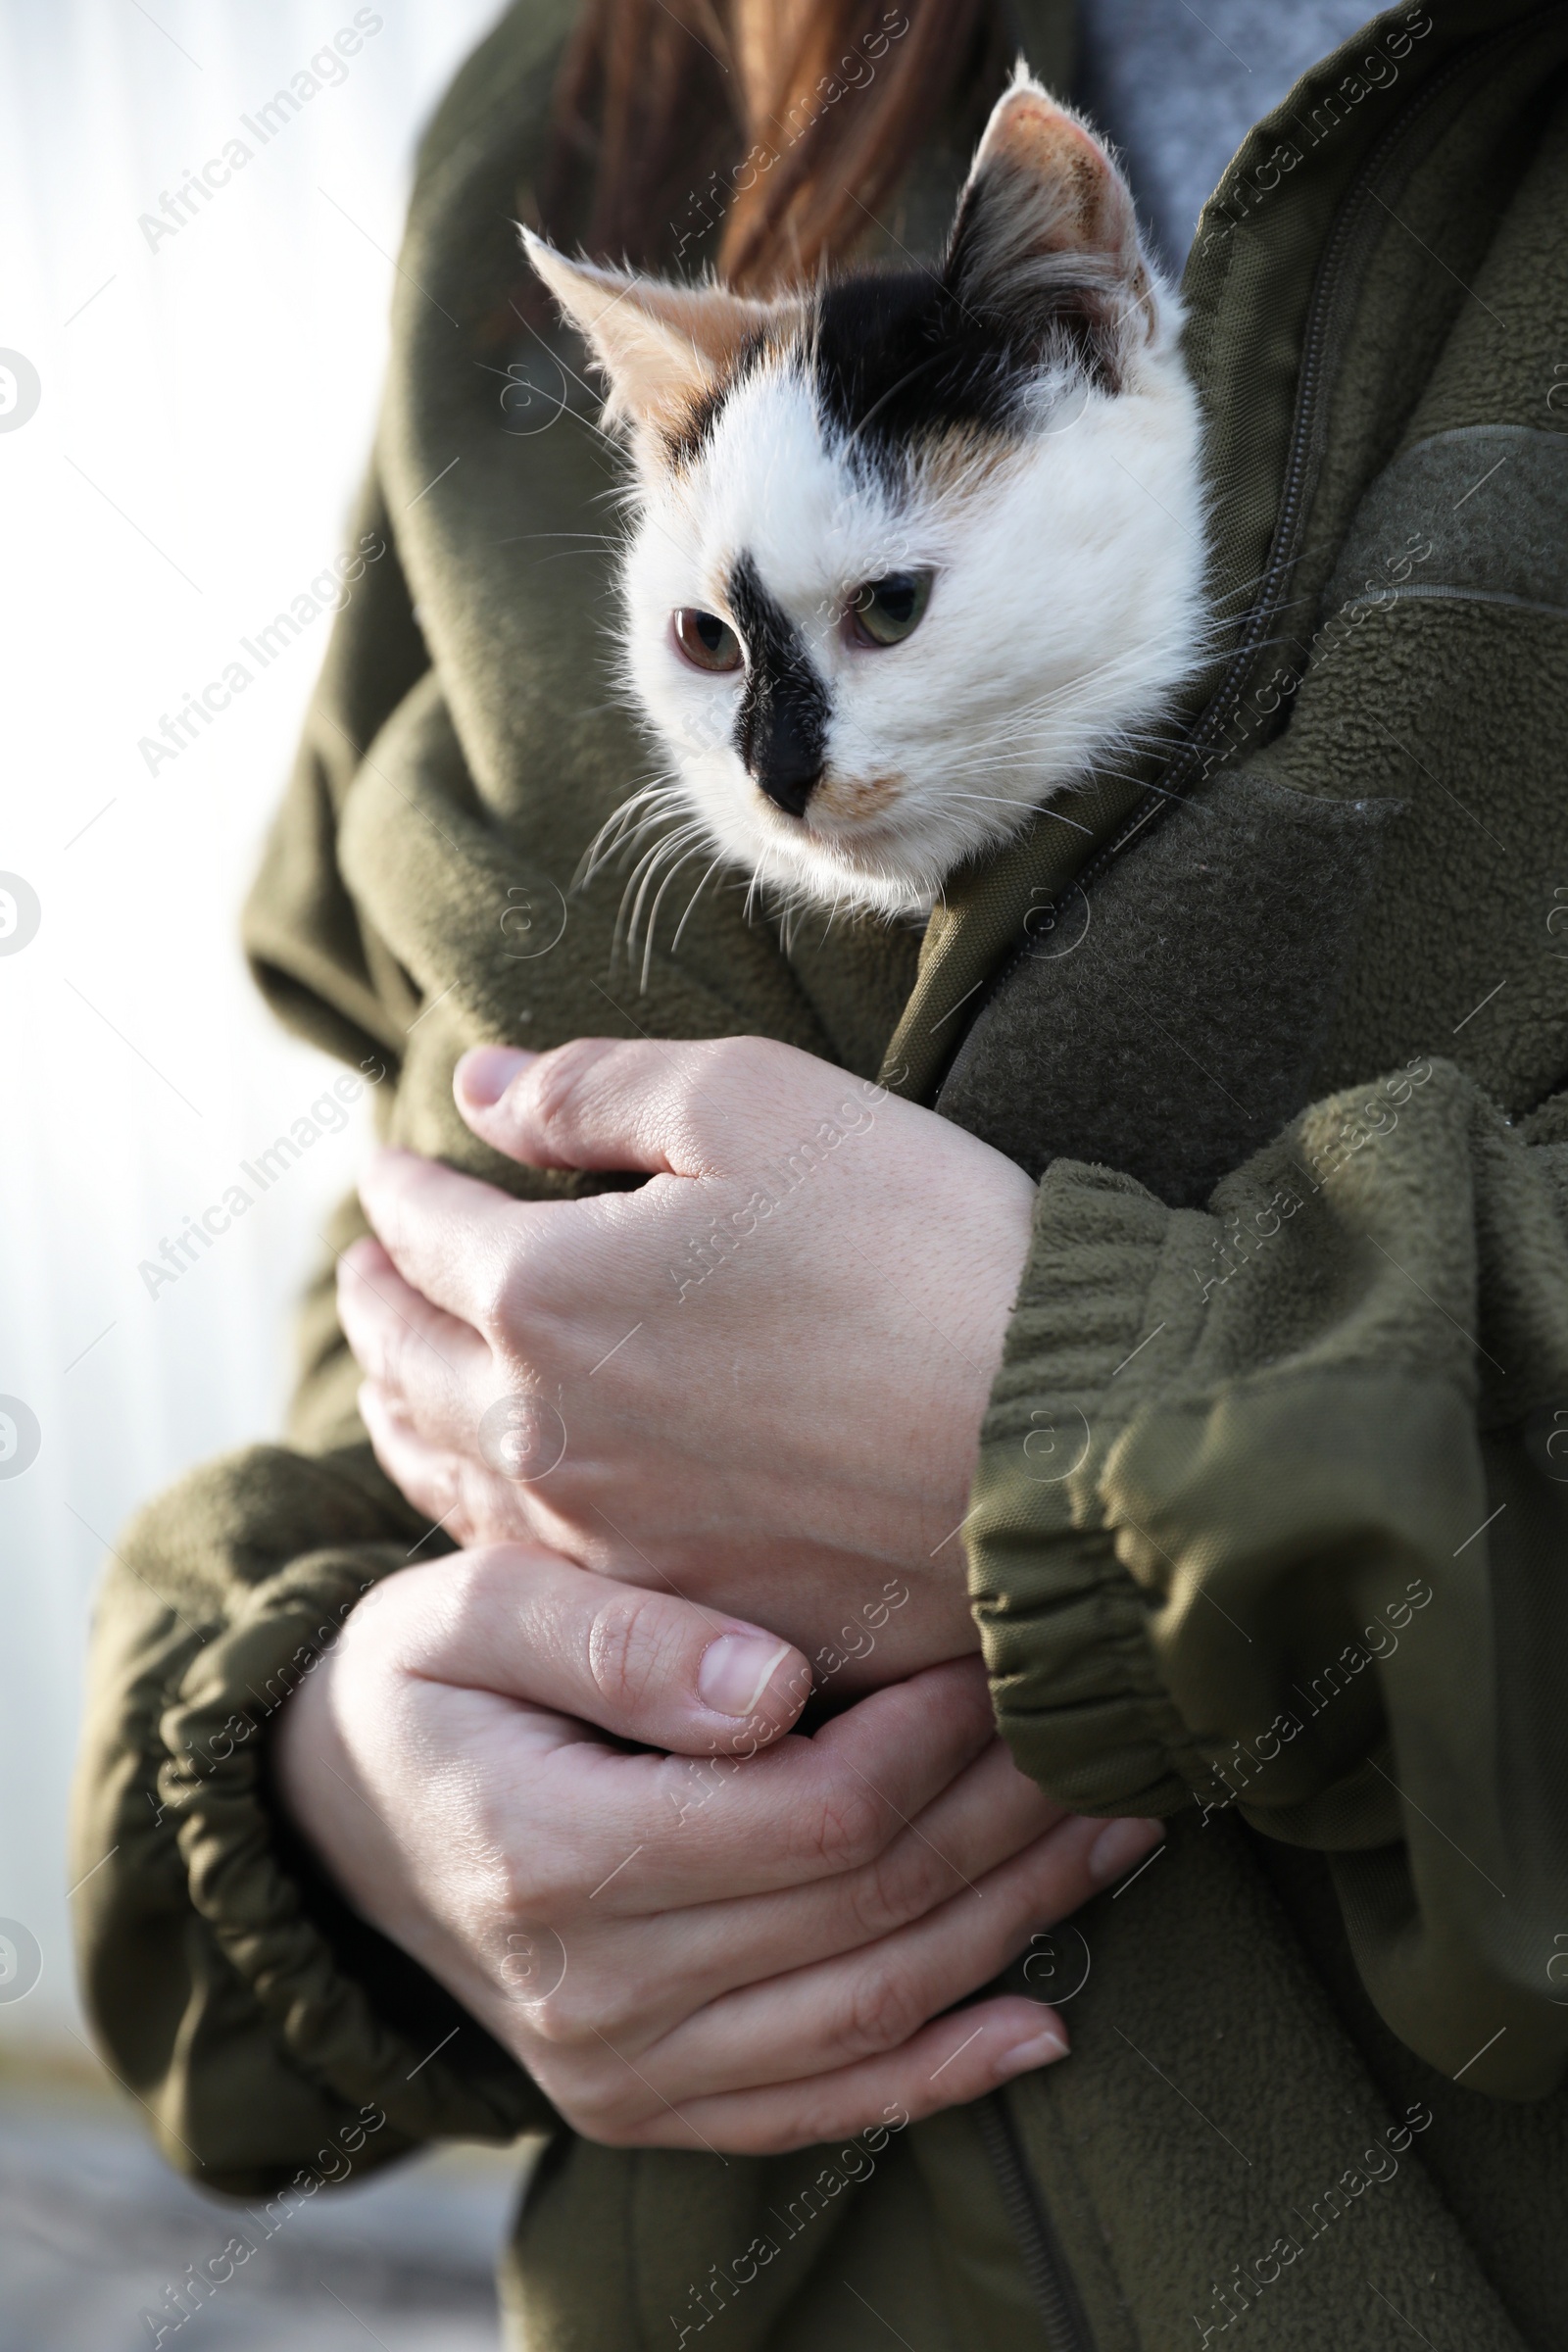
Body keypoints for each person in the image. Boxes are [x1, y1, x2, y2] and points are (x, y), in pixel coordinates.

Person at [73, 1, 1568, 2344]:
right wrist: (337, 1776)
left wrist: (1108, 1410)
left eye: (882, 615)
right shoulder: (590, 94)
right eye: (703, 651)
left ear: (1091, 336)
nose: (776, 776)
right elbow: (397, 1203)